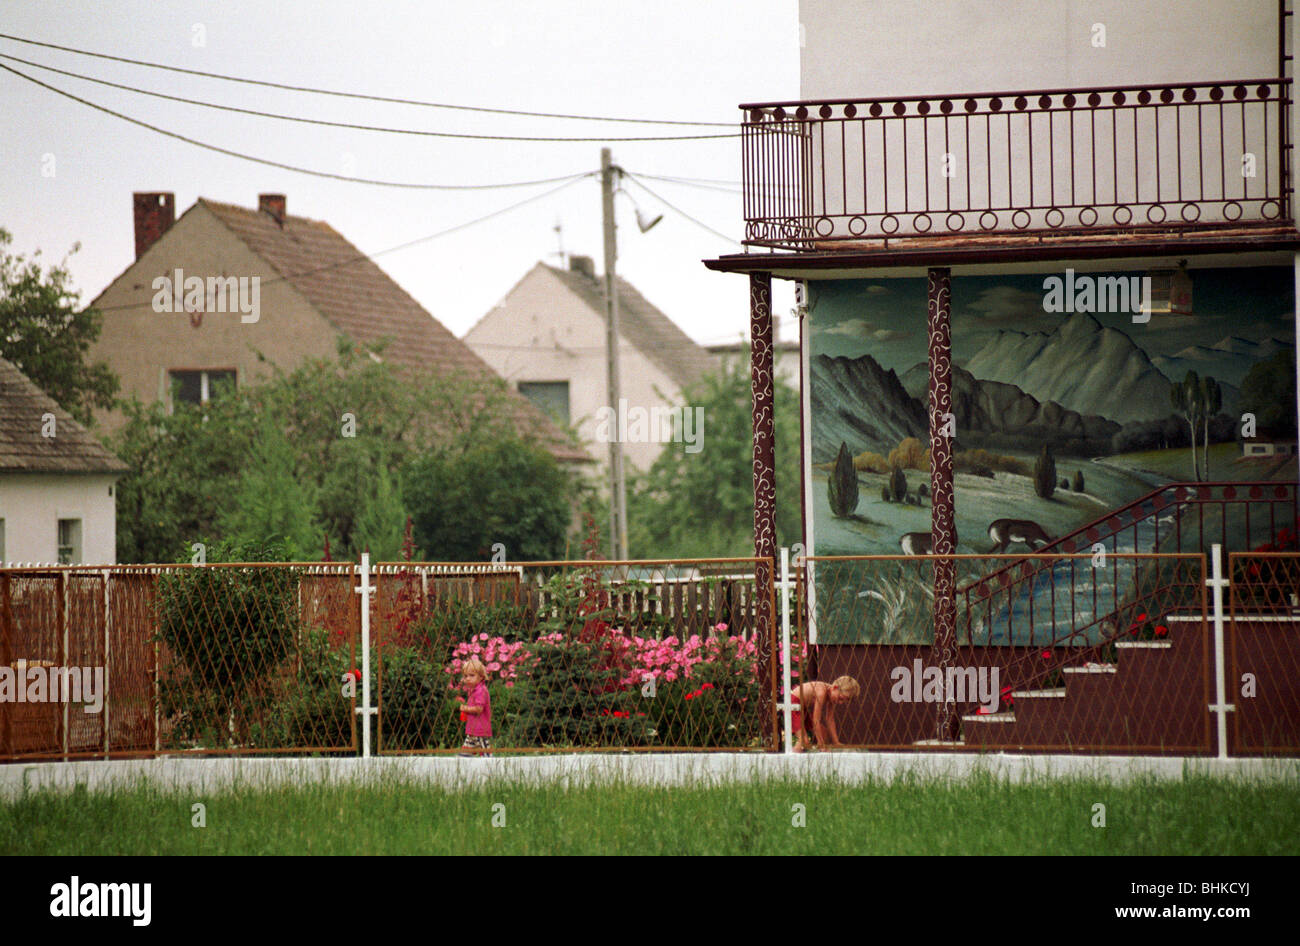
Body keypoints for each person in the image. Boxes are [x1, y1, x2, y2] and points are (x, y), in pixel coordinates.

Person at [790, 676, 859, 752]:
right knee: (804, 741)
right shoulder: (821, 693)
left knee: (824, 733)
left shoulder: (832, 694)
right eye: (840, 698)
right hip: (792, 705)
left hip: (802, 708)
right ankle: (790, 759)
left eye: (843, 701)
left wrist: (836, 742)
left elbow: (830, 720)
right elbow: (816, 720)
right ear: (835, 688)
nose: (840, 702)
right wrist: (821, 743)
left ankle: (823, 757)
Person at [457, 658, 492, 757]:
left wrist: (465, 709)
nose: (467, 678)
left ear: (481, 677)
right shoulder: (474, 690)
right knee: (464, 755)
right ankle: (460, 769)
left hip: (480, 730)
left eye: (471, 675)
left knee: (486, 755)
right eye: (465, 676)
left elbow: (479, 709)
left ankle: (492, 769)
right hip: (473, 730)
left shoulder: (481, 691)